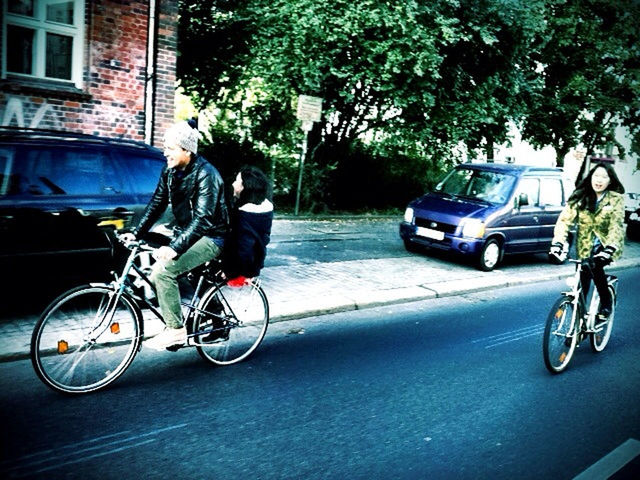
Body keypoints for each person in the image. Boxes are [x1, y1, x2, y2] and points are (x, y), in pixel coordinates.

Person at [122, 119, 229, 350]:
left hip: (211, 236)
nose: (165, 152)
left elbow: (203, 219)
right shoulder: (170, 171)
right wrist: (136, 232)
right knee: (186, 275)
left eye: (170, 148)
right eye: (165, 147)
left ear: (186, 150)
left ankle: (176, 330)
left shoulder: (206, 174)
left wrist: (174, 248)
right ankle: (217, 319)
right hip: (187, 233)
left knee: (163, 271)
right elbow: (157, 203)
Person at [549, 162, 625, 318]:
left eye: (604, 177)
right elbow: (565, 221)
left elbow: (616, 225)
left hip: (605, 246)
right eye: (596, 176)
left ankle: (606, 303)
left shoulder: (615, 199)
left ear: (610, 180)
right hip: (584, 247)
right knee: (581, 286)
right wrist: (558, 243)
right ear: (590, 177)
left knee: (595, 266)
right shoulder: (581, 196)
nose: (599, 180)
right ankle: (578, 324)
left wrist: (609, 248)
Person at [223, 165, 274, 284]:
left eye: (237, 181)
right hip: (253, 265)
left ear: (246, 187)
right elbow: (262, 242)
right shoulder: (266, 209)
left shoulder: (244, 214)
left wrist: (229, 271)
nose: (233, 184)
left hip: (239, 268)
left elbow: (242, 247)